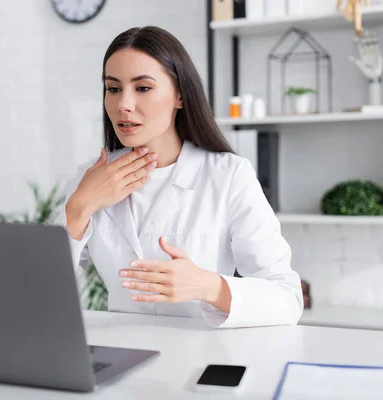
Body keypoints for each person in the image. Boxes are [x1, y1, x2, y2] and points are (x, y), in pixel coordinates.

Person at [54, 26, 303, 329]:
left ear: (180, 96)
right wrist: (78, 209)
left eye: (142, 88)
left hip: (204, 356)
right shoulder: (89, 178)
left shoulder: (228, 175)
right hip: (120, 349)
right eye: (113, 88)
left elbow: (288, 298)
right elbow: (40, 294)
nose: (123, 104)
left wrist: (209, 287)